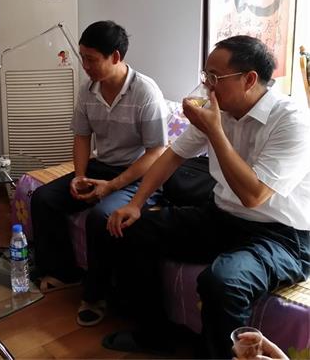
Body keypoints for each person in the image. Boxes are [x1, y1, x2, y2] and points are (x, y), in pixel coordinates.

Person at [89, 35, 310, 358]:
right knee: (133, 229)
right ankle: (154, 334)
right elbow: (172, 155)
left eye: (215, 77)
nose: (206, 85)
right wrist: (135, 204)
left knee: (222, 282)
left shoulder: (291, 121)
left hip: (280, 234)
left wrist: (214, 131)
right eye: (205, 75)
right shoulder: (219, 111)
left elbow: (253, 195)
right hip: (223, 216)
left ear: (249, 79)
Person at [29, 20, 169, 325]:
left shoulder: (145, 92)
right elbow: (82, 136)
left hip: (139, 174)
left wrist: (113, 185)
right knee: (43, 198)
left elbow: (157, 152)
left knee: (102, 217)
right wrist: (80, 176)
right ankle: (64, 272)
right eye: (83, 58)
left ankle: (96, 295)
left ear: (115, 57)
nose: (85, 66)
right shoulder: (88, 89)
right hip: (100, 166)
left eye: (91, 59)